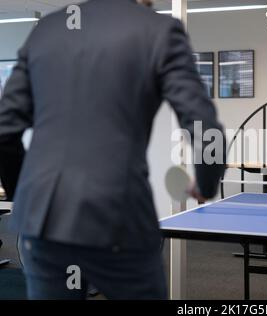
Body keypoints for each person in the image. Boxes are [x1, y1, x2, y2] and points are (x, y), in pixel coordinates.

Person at [0, 0, 226, 299]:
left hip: (43, 220)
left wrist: (25, 196)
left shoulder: (48, 30)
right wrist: (207, 184)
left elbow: (4, 131)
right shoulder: (158, 30)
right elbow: (205, 125)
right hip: (119, 214)